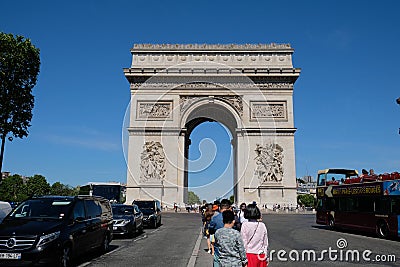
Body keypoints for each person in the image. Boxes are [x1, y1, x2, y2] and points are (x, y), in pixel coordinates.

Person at [209, 199, 232, 266]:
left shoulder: (215, 218)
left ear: (220, 207)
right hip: (230, 247)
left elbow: (211, 230)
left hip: (218, 247)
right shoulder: (233, 218)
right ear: (229, 207)